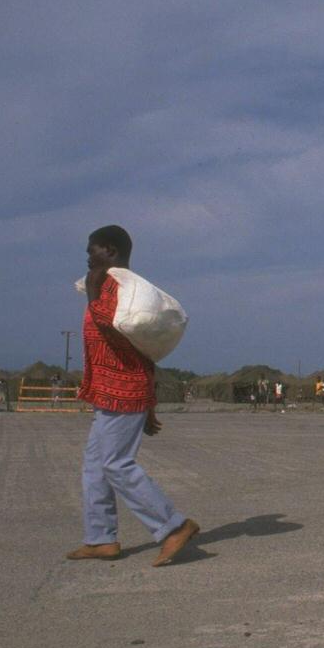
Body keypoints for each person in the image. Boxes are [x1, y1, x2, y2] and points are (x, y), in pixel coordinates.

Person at [65, 224, 200, 566]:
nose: (87, 255)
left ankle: (173, 527)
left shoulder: (112, 288)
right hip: (111, 393)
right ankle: (100, 539)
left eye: (91, 249)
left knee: (116, 464)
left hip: (123, 392)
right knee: (95, 467)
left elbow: (112, 327)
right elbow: (140, 348)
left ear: (109, 251)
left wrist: (95, 294)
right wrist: (150, 407)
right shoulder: (113, 286)